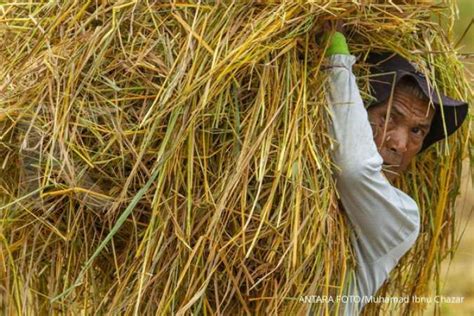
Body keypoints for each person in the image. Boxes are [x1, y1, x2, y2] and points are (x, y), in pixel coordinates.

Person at [323, 28, 468, 315]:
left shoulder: (402, 217)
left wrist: (337, 62)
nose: (400, 144)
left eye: (417, 131)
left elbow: (353, 168)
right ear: (357, 113)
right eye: (388, 117)